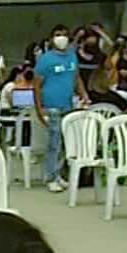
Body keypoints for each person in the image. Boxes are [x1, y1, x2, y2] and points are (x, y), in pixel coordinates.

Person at [35, 24, 85, 193]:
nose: (61, 38)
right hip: (51, 105)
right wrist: (39, 108)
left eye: (64, 35)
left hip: (68, 105)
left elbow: (76, 78)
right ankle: (50, 177)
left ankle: (58, 174)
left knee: (65, 144)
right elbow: (37, 85)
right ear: (51, 39)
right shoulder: (45, 59)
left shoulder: (72, 57)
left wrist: (83, 94)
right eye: (57, 35)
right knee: (53, 144)